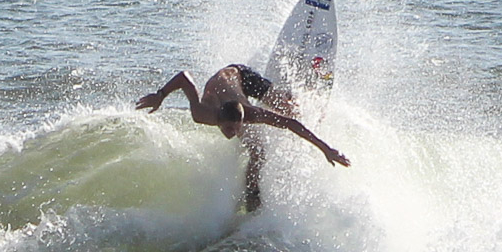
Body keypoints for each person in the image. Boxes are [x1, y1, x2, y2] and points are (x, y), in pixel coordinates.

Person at [135, 64, 351, 212]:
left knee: (290, 112)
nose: (233, 133)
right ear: (219, 121)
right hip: (224, 81)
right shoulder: (201, 113)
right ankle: (253, 195)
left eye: (236, 128)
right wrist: (160, 95)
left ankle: (291, 95)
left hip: (243, 76)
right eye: (229, 129)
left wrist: (325, 148)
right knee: (257, 150)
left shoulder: (251, 114)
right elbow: (184, 77)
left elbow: (290, 125)